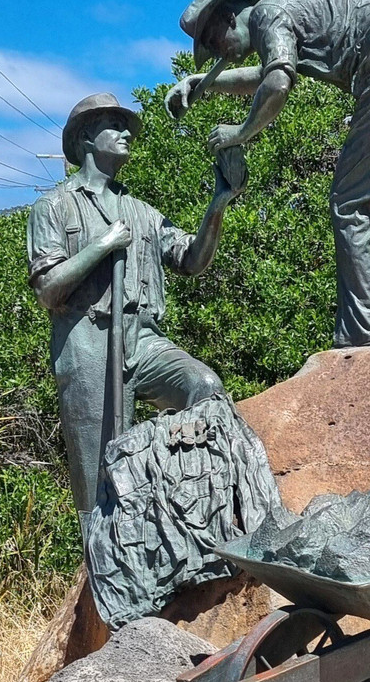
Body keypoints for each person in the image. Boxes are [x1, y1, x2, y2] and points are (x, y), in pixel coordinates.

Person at [165, 0, 370, 348]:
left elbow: (278, 82)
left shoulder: (268, 13)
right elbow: (272, 70)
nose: (223, 55)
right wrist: (208, 81)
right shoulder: (286, 8)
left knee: (352, 205)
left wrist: (240, 132)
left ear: (228, 18)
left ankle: (361, 335)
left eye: (213, 43)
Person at [27, 92, 244, 536]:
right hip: (88, 345)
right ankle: (103, 573)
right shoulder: (53, 207)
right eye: (115, 125)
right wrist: (102, 246)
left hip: (142, 340)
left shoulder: (142, 211)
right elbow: (48, 290)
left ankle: (200, 516)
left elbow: (190, 259)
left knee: (203, 387)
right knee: (97, 478)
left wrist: (219, 202)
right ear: (87, 137)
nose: (127, 134)